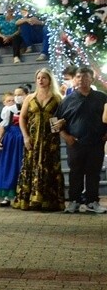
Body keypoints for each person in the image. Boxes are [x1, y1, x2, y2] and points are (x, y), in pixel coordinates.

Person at [13, 69, 66, 211]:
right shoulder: (30, 98)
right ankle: (29, 199)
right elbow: (22, 118)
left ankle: (49, 200)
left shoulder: (58, 98)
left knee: (49, 166)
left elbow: (63, 117)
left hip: (50, 139)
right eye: (38, 78)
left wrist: (61, 124)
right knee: (30, 165)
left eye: (44, 78)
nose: (41, 80)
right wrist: (25, 136)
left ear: (50, 80)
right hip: (32, 138)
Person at [57, 66, 107, 214]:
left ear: (91, 78)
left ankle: (92, 201)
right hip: (75, 143)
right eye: (78, 77)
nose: (82, 80)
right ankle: (74, 201)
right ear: (74, 79)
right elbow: (54, 121)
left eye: (85, 77)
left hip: (96, 142)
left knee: (94, 172)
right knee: (75, 172)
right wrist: (66, 136)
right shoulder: (67, 100)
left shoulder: (102, 97)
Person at [0, 91, 23, 206]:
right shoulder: (6, 112)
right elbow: (3, 126)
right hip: (10, 140)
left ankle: (19, 195)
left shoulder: (23, 109)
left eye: (13, 100)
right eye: (8, 100)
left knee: (18, 165)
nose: (11, 102)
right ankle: (6, 195)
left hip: (21, 139)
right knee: (7, 165)